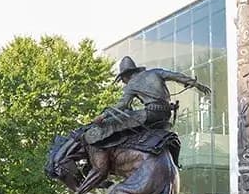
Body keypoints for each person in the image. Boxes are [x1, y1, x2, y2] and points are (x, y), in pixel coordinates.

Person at [84, 56, 212, 145]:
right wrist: (197, 85)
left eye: (122, 79)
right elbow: (176, 76)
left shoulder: (131, 85)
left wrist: (103, 116)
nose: (123, 82)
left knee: (114, 122)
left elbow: (123, 105)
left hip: (151, 114)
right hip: (166, 114)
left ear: (125, 75)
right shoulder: (155, 72)